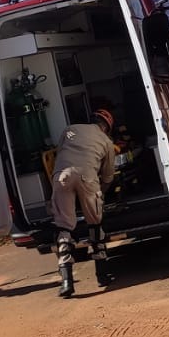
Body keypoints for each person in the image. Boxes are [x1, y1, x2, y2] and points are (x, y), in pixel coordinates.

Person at [50, 106, 118, 298]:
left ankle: (66, 283)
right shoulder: (106, 141)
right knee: (95, 225)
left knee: (64, 228)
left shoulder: (69, 129)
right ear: (107, 127)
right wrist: (100, 194)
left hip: (61, 177)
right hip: (89, 179)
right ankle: (102, 276)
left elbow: (61, 151)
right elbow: (108, 176)